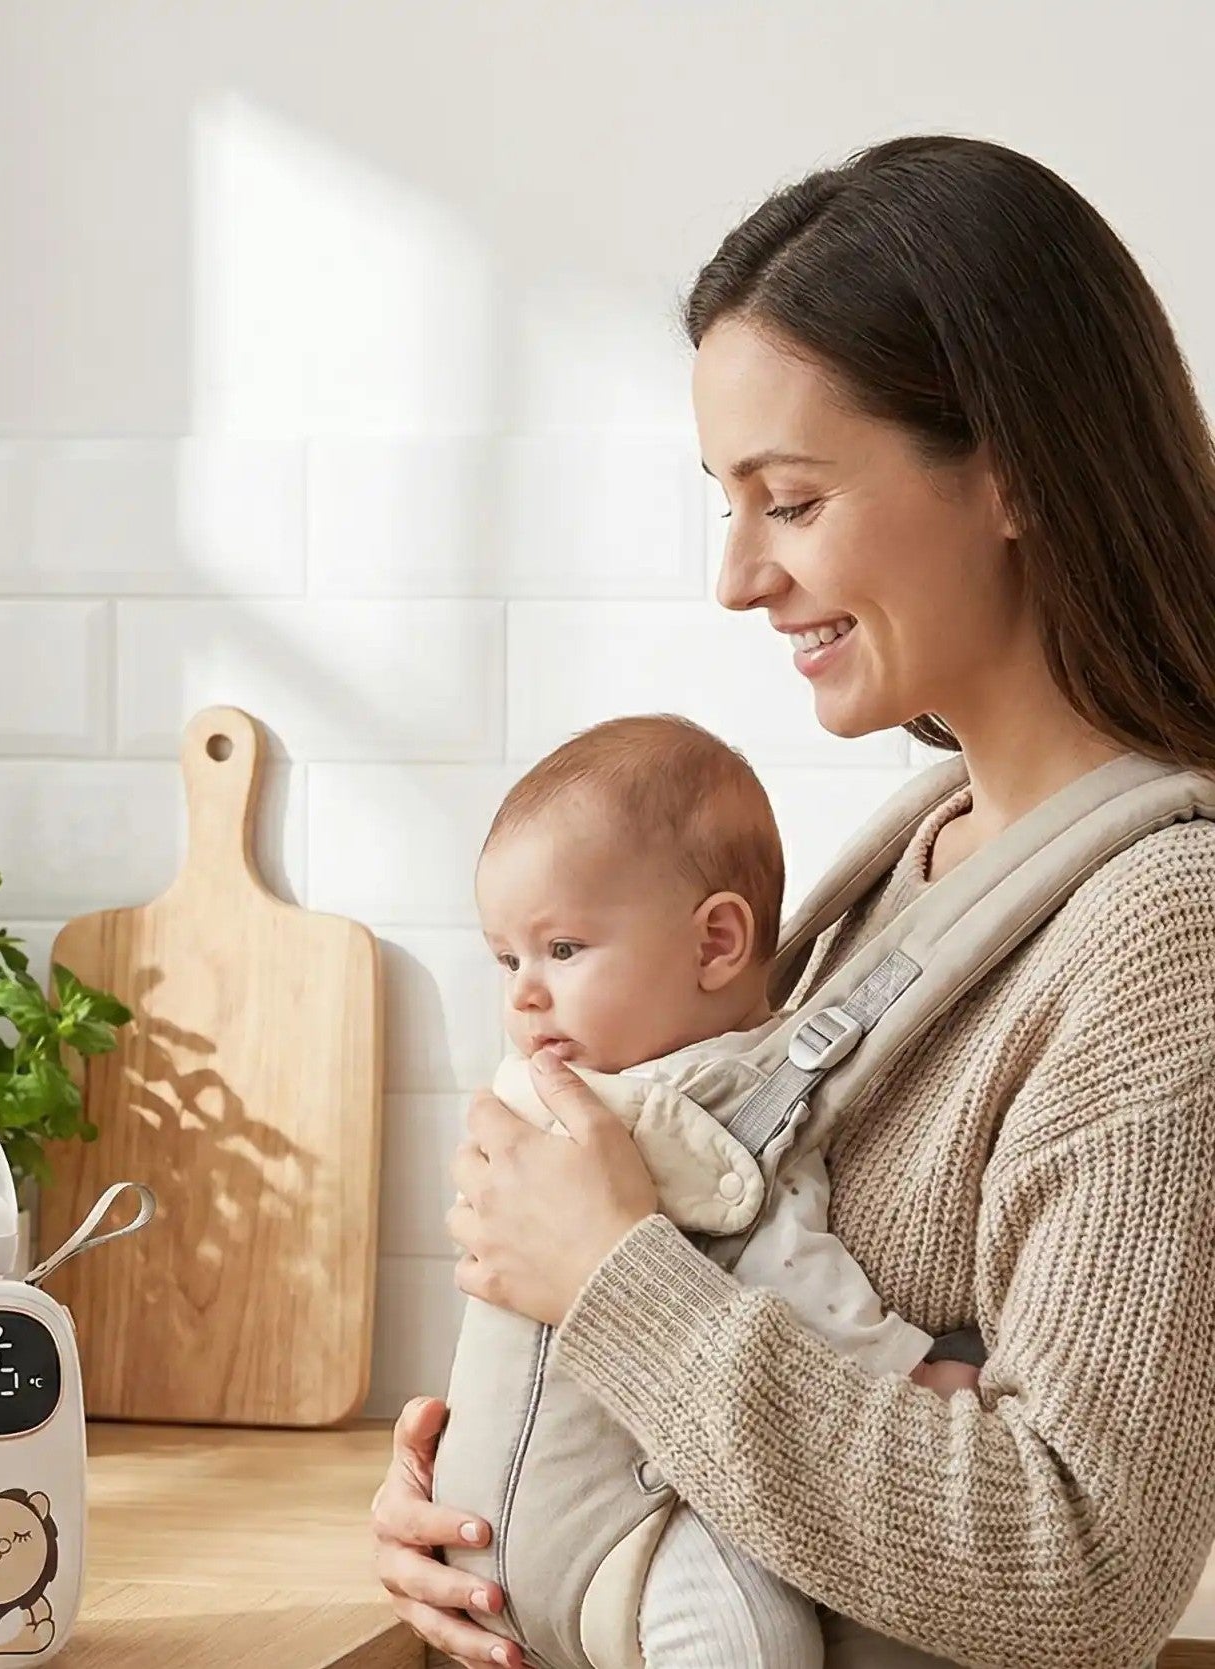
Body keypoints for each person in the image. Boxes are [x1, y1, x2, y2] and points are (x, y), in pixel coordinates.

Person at [369, 132, 1215, 1669]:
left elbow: (1080, 1564)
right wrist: (494, 1501)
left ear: (1012, 472)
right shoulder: (894, 876)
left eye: (792, 501)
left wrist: (610, 1289)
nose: (738, 577)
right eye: (725, 502)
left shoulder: (1163, 932)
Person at [441, 711, 981, 1669]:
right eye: (507, 957)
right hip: (625, 1518)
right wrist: (904, 1364)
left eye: (561, 949)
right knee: (752, 1642)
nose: (523, 992)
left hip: (497, 1521)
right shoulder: (666, 1109)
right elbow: (784, 1264)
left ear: (716, 942)